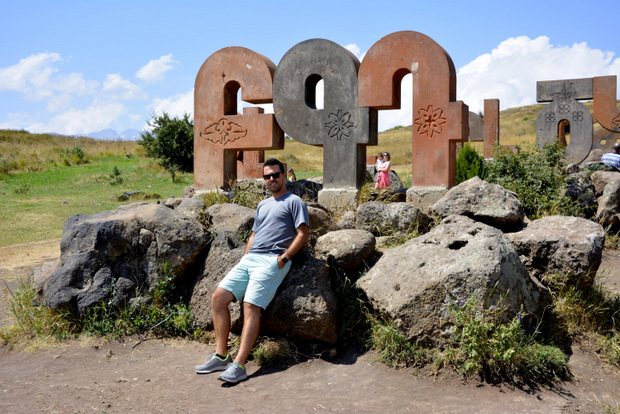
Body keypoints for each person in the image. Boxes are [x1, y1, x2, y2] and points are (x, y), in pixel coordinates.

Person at [194, 158, 310, 383]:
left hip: (272, 261)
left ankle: (239, 365)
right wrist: (246, 256)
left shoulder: (294, 201)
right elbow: (254, 234)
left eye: (275, 175)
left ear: (284, 175)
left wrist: (284, 258)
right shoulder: (262, 204)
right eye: (267, 176)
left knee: (250, 306)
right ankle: (221, 356)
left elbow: (303, 234)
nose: (271, 179)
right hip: (250, 259)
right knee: (218, 297)